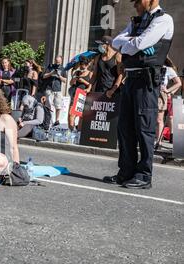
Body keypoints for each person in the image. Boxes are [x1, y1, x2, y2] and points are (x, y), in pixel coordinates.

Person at [105, 0, 174, 189]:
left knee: (144, 128)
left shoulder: (164, 20)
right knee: (124, 127)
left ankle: (144, 175)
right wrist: (133, 44)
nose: (135, 4)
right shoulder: (136, 22)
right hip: (131, 78)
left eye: (137, 1)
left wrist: (133, 43)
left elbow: (140, 43)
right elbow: (117, 42)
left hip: (146, 81)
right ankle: (126, 172)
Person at [157, 57, 181, 144]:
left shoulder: (169, 69)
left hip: (163, 95)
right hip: (151, 94)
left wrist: (170, 91)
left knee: (167, 117)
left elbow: (178, 83)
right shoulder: (153, 66)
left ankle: (163, 139)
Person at [68, 56, 92, 131]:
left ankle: (79, 132)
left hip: (84, 96)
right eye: (81, 65)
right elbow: (71, 84)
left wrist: (83, 81)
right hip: (75, 95)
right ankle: (71, 132)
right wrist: (74, 79)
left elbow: (91, 85)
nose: (82, 67)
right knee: (70, 114)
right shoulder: (77, 72)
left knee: (81, 116)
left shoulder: (90, 73)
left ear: (87, 65)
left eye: (84, 66)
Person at [43, 55, 67, 126]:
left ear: (61, 61)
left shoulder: (63, 69)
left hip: (58, 90)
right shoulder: (50, 67)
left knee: (58, 106)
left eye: (59, 62)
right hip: (49, 89)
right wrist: (51, 73)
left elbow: (65, 80)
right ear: (54, 60)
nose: (57, 63)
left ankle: (57, 120)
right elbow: (44, 76)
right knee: (48, 105)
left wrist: (59, 76)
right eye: (56, 61)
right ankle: (48, 120)